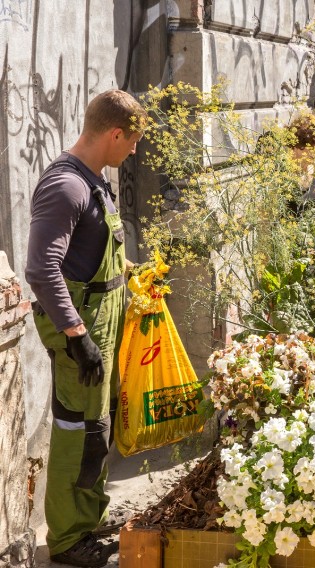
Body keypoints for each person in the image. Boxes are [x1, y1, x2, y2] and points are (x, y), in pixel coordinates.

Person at [26, 90, 146, 568]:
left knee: (97, 428)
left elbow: (86, 259)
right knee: (76, 429)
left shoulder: (94, 181)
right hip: (82, 330)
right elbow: (42, 269)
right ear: (115, 133)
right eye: (133, 141)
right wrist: (77, 336)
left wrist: (133, 275)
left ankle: (89, 519)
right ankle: (67, 538)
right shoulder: (67, 187)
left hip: (102, 320)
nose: (134, 151)